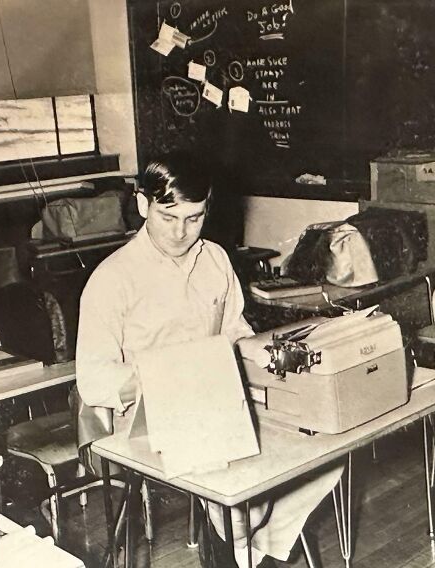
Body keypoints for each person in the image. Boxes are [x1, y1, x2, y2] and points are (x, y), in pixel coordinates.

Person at [75, 151, 342, 568]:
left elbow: (235, 332)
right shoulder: (112, 279)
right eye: (168, 217)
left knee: (325, 451)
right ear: (143, 204)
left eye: (194, 218)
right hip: (150, 417)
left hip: (219, 399)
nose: (182, 232)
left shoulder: (216, 259)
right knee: (235, 482)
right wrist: (166, 374)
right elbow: (92, 381)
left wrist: (271, 357)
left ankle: (251, 546)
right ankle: (239, 542)